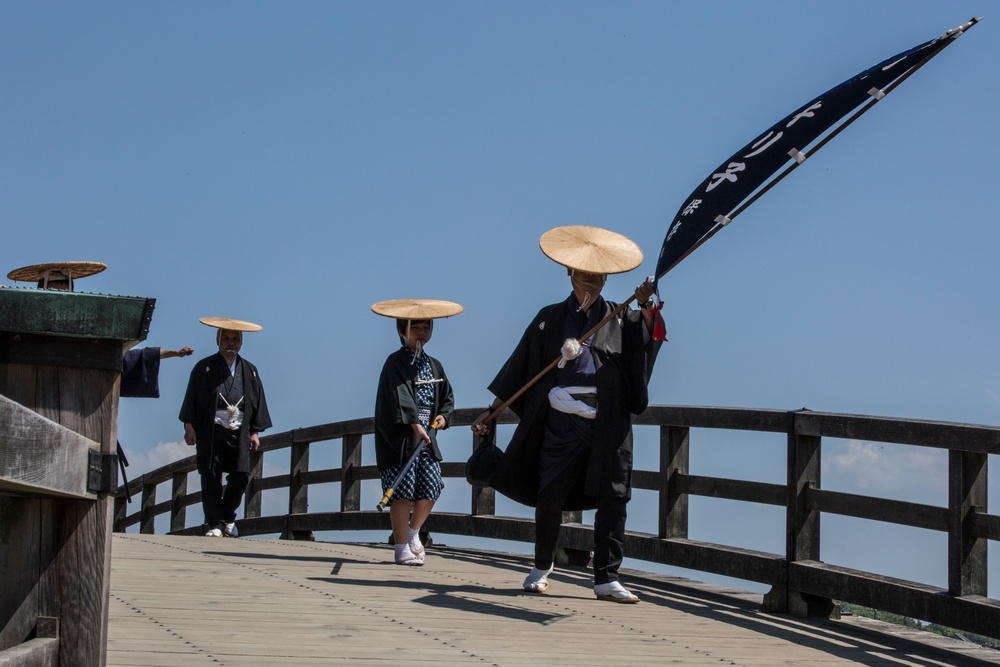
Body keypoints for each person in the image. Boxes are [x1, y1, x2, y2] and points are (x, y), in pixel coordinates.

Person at [471, 225, 663, 603]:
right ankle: (542, 565)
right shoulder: (549, 318)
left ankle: (607, 576)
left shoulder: (621, 317)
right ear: (569, 272)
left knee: (614, 495)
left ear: (607, 277)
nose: (592, 280)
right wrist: (493, 412)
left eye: (599, 274)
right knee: (550, 492)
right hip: (560, 415)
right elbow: (520, 368)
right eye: (585, 273)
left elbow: (645, 346)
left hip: (607, 416)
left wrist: (643, 306)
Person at [372, 299, 461, 565]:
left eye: (426, 327)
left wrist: (444, 416)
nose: (421, 332)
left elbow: (446, 396)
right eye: (415, 327)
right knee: (402, 491)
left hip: (427, 437)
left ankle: (413, 533)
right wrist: (415, 425)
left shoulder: (434, 365)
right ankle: (401, 547)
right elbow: (401, 398)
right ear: (402, 332)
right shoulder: (394, 363)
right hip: (400, 438)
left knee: (431, 487)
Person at [179, 317, 272, 537]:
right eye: (226, 339)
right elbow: (191, 398)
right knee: (210, 475)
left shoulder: (250, 371)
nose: (230, 343)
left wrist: (255, 432)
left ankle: (228, 516)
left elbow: (257, 401)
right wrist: (189, 426)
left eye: (235, 339)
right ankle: (215, 524)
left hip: (239, 429)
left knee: (241, 474)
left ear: (241, 342)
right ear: (218, 340)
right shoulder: (204, 368)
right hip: (211, 428)